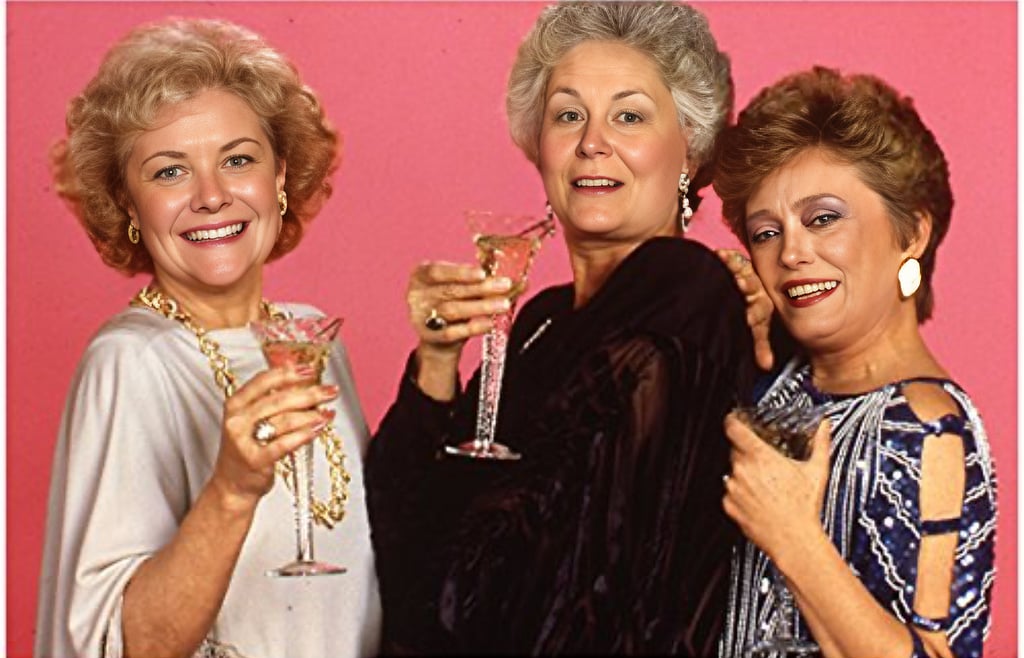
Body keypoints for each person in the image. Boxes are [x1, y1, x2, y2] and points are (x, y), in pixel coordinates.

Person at [365, 3, 761, 654]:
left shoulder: (683, 291)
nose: (592, 143)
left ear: (689, 148)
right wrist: (436, 362)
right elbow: (385, 546)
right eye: (568, 115)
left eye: (629, 116)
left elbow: (555, 595)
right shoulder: (541, 321)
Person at [35, 19, 381, 658]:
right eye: (170, 172)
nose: (212, 196)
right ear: (128, 205)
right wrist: (232, 490)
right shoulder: (131, 361)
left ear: (280, 177)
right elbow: (123, 644)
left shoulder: (314, 341)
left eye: (238, 160)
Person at [714, 66, 997, 658]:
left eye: (823, 219)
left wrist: (794, 539)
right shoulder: (776, 383)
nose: (791, 252)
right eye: (765, 233)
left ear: (911, 233)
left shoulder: (925, 429)